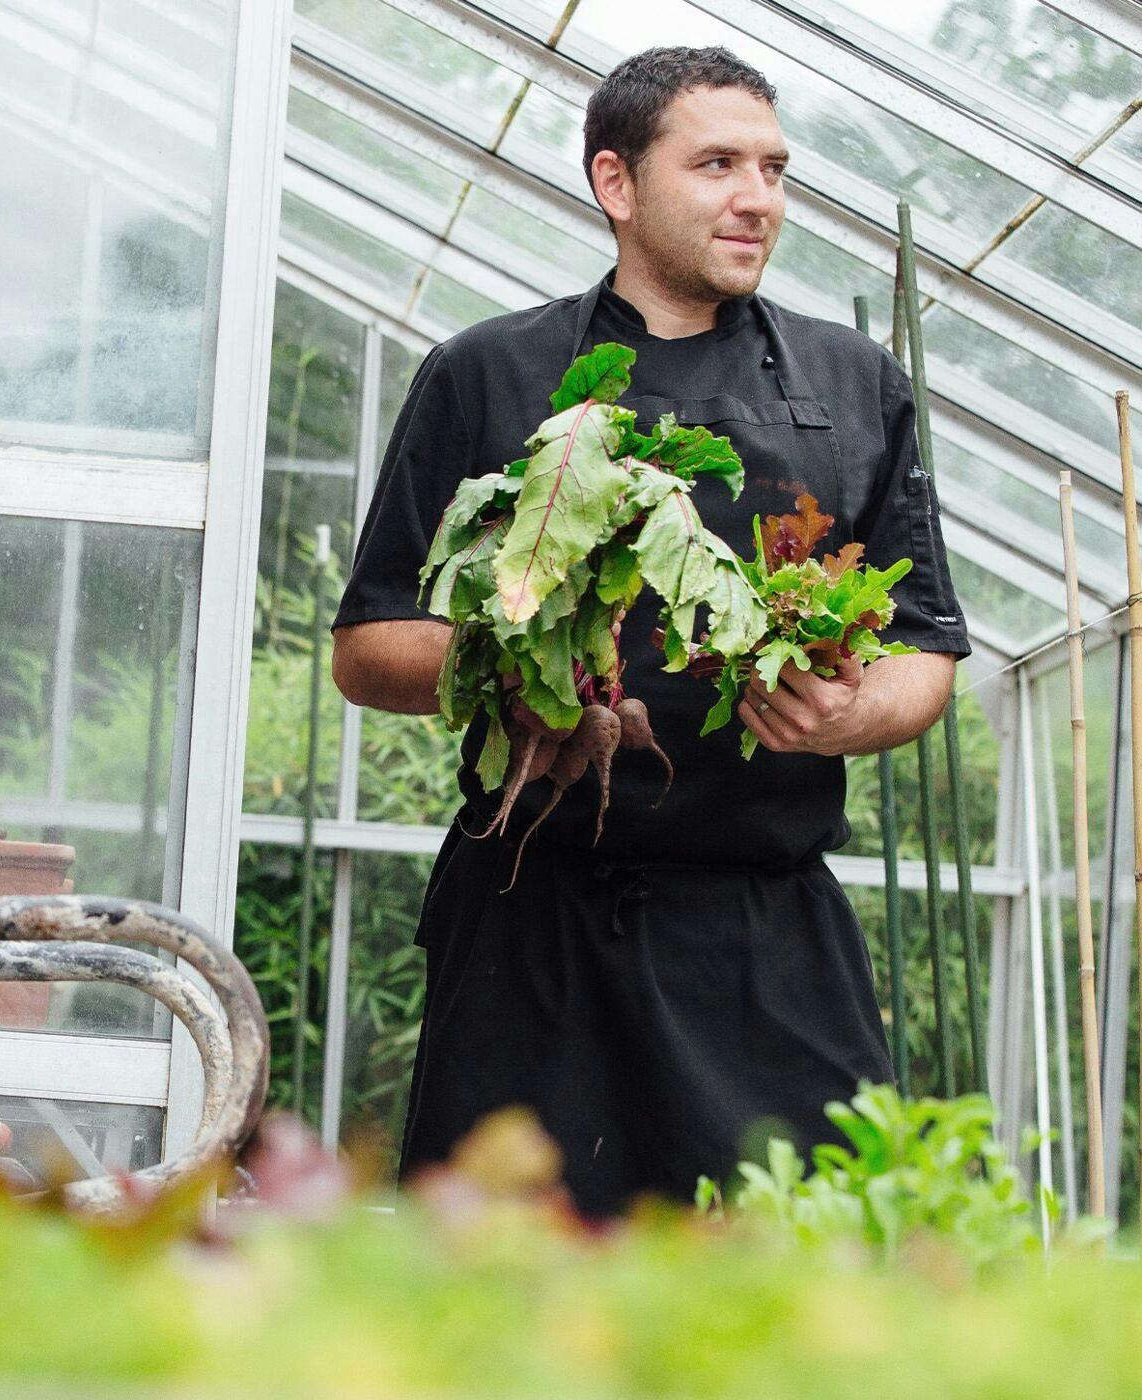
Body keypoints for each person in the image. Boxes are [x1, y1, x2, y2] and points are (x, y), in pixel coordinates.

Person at [330, 46, 969, 1219]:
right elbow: (368, 646)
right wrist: (503, 667)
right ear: (615, 183)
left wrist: (847, 713)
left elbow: (923, 648)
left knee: (807, 1280)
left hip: (766, 935)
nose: (757, 197)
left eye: (772, 168)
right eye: (717, 163)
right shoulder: (489, 373)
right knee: (506, 1294)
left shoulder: (852, 382)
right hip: (535, 918)